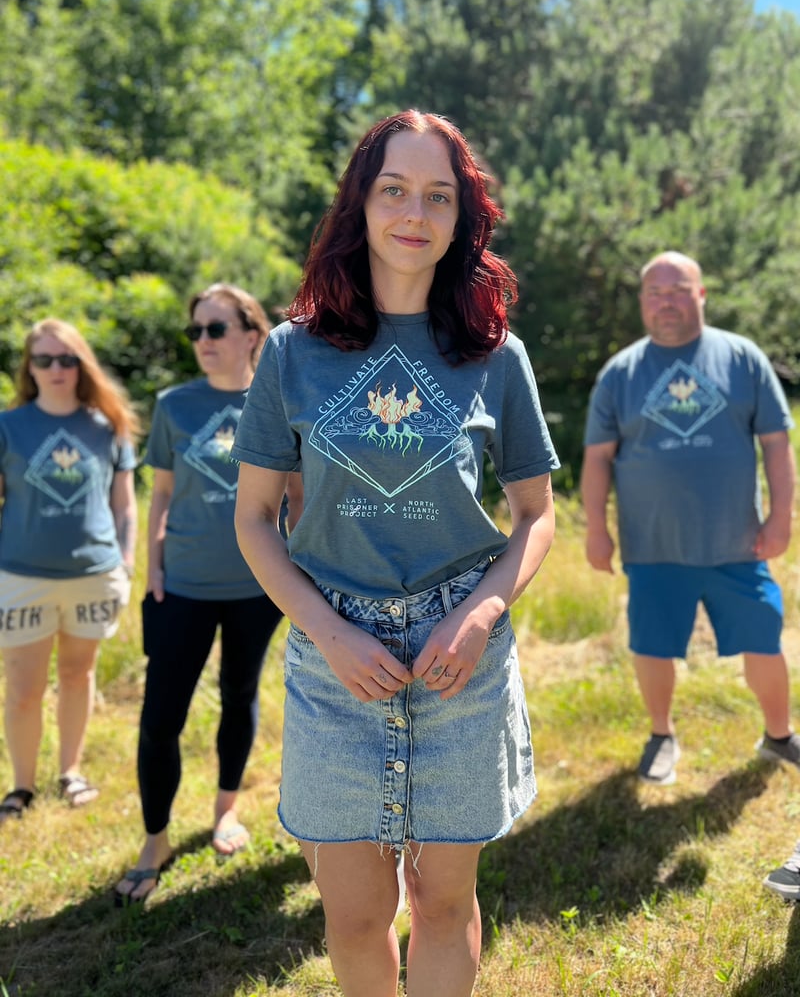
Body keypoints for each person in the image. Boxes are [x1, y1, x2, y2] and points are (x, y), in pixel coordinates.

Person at [231, 110, 558, 997]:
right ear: (361, 204)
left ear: (462, 220)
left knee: (444, 905)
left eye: (438, 196)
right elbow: (255, 520)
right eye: (395, 190)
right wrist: (329, 634)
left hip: (463, 657)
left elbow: (536, 514)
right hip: (334, 658)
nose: (415, 213)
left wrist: (482, 614)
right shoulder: (293, 353)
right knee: (357, 914)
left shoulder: (497, 356)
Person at [114, 283, 302, 906]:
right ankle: (156, 839)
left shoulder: (280, 400)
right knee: (160, 714)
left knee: (239, 694)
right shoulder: (175, 406)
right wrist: (153, 570)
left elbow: (297, 496)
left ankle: (224, 811)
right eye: (196, 331)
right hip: (185, 585)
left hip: (258, 586)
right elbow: (160, 493)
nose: (202, 342)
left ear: (253, 336)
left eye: (216, 329)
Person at [581, 250, 798, 785]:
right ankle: (661, 734)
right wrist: (596, 530)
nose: (666, 301)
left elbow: (776, 444)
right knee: (653, 644)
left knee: (765, 636)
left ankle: (779, 735)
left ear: (701, 294)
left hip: (737, 543)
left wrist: (780, 518)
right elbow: (597, 460)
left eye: (679, 289)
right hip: (652, 546)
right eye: (654, 292)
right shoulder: (620, 374)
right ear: (641, 303)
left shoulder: (742, 358)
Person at [0, 318, 138, 822]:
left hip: (93, 574)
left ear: (81, 365)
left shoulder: (108, 427)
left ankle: (70, 771)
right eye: (44, 359)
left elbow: (125, 507)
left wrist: (125, 564)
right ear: (29, 367)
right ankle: (20, 787)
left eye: (66, 359)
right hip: (21, 577)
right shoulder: (8, 427)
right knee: (23, 690)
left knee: (78, 676)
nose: (56, 369)